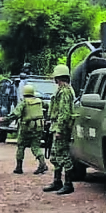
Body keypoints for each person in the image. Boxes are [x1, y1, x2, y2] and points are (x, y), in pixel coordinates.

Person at [43, 64, 76, 195]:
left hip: (61, 127)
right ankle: (57, 181)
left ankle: (68, 184)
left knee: (63, 155)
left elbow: (64, 112)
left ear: (58, 77)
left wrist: (60, 130)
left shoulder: (65, 92)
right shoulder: (61, 91)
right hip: (56, 125)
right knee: (55, 155)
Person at [10, 84, 47, 175]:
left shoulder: (24, 103)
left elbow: (16, 114)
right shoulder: (39, 101)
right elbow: (48, 107)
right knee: (35, 146)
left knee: (21, 146)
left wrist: (5, 119)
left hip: (26, 128)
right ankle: (42, 163)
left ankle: (19, 167)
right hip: (38, 128)